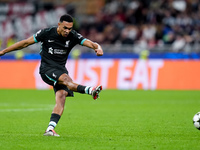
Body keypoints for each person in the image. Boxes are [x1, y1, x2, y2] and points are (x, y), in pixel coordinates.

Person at [0, 14, 103, 137]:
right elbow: (25, 43)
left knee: (62, 96)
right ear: (59, 25)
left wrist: (98, 48)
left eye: (70, 28)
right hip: (47, 69)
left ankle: (50, 129)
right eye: (65, 28)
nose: (67, 31)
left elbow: (92, 43)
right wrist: (4, 51)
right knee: (66, 80)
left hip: (61, 70)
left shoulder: (73, 36)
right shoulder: (47, 33)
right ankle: (90, 90)